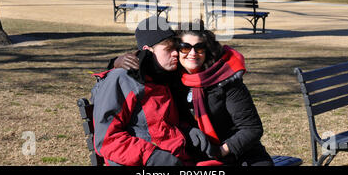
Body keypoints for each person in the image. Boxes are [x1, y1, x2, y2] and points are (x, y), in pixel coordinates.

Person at [113, 21, 273, 166]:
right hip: (197, 157)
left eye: (199, 47)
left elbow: (252, 128)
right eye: (185, 47)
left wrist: (221, 152)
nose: (192, 53)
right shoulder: (172, 77)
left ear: (207, 49)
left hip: (242, 155)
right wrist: (116, 61)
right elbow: (149, 59)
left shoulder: (225, 79)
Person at [91, 16, 193, 166]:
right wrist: (153, 157)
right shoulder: (123, 80)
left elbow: (162, 127)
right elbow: (107, 140)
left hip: (177, 157)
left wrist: (190, 131)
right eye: (168, 49)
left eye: (176, 48)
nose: (176, 53)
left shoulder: (162, 77)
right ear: (148, 50)